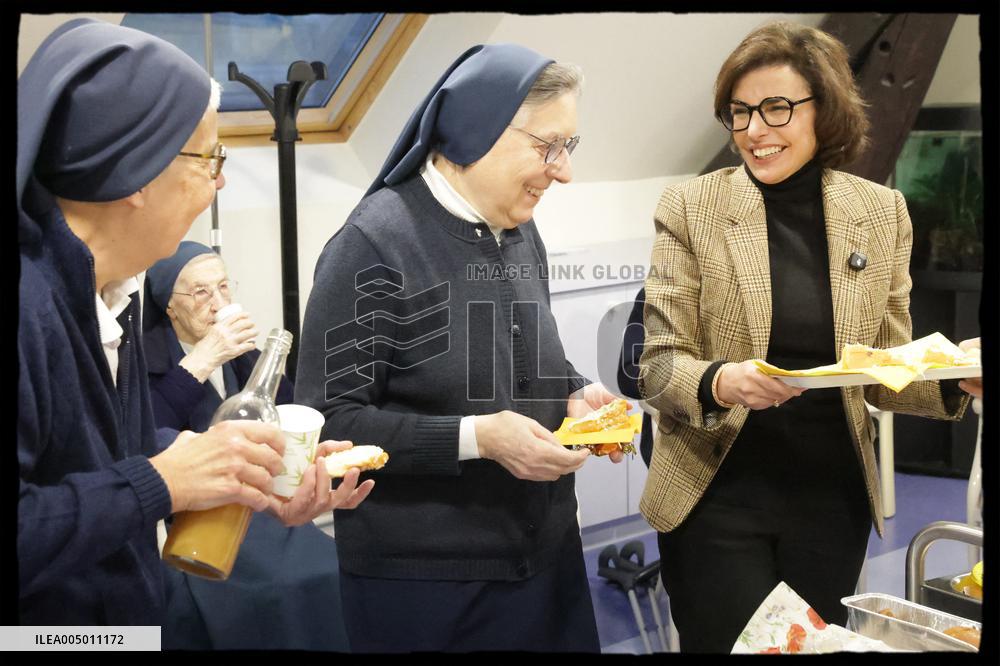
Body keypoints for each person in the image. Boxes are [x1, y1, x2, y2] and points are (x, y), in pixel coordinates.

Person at [637, 21, 979, 652]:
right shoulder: (690, 208)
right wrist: (721, 381)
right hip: (717, 492)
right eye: (739, 112)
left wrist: (955, 378)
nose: (754, 130)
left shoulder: (880, 212)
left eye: (776, 108)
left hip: (830, 498)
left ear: (826, 109)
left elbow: (885, 369)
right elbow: (657, 367)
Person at [17, 18, 370, 626]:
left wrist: (239, 477)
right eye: (210, 159)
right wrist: (163, 481)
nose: (220, 180)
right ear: (136, 171)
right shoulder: (29, 307)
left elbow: (98, 459)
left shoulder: (113, 295)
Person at [295, 43, 622, 653]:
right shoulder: (372, 245)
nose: (564, 171)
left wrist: (575, 393)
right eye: (548, 146)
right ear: (479, 130)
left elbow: (530, 354)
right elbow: (330, 423)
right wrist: (478, 439)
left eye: (568, 147)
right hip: (431, 588)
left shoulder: (518, 227)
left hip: (546, 560)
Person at [142, 242, 352, 650]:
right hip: (202, 517)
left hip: (266, 505)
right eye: (200, 292)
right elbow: (144, 435)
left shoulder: (246, 358)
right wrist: (203, 359)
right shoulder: (152, 365)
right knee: (271, 590)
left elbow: (288, 414)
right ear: (170, 307)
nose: (218, 302)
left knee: (331, 570)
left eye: (224, 287)